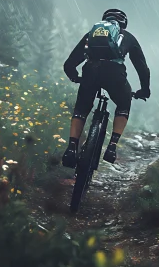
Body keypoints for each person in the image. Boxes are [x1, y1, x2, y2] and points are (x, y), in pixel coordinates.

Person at [62, 9, 151, 167]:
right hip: (114, 75)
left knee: (81, 109)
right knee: (123, 104)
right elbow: (142, 67)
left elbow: (70, 63)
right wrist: (144, 89)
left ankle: (71, 147)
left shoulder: (91, 35)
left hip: (90, 71)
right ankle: (111, 147)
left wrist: (75, 77)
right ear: (123, 24)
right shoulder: (128, 37)